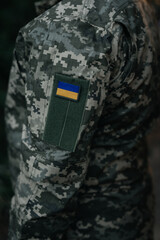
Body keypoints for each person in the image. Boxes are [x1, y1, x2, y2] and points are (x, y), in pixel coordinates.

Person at [4, 0, 160, 239]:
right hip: (131, 206)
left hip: (84, 225)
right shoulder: (133, 5)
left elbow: (51, 174)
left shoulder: (73, 28)